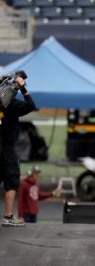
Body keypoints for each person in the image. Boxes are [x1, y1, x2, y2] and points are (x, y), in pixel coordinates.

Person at [0, 71, 36, 227]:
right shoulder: (13, 105)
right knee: (12, 179)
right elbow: (31, 105)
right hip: (7, 148)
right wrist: (22, 88)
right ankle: (8, 217)